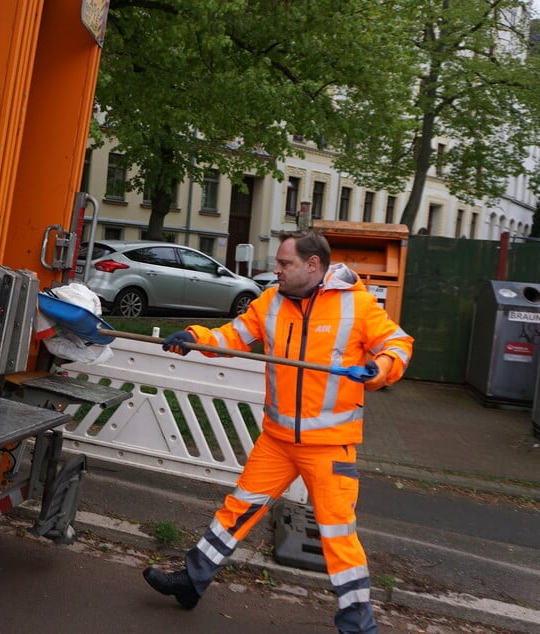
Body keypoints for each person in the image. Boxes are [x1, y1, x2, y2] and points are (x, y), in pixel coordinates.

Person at [143, 229, 413, 634]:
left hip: (330, 446)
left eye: (285, 263)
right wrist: (196, 337)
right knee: (236, 511)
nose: (277, 270)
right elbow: (232, 337)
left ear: (313, 265)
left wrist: (380, 368)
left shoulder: (357, 305)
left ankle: (358, 626)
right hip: (277, 440)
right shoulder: (271, 302)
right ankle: (192, 581)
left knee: (338, 536)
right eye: (278, 263)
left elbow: (399, 343)